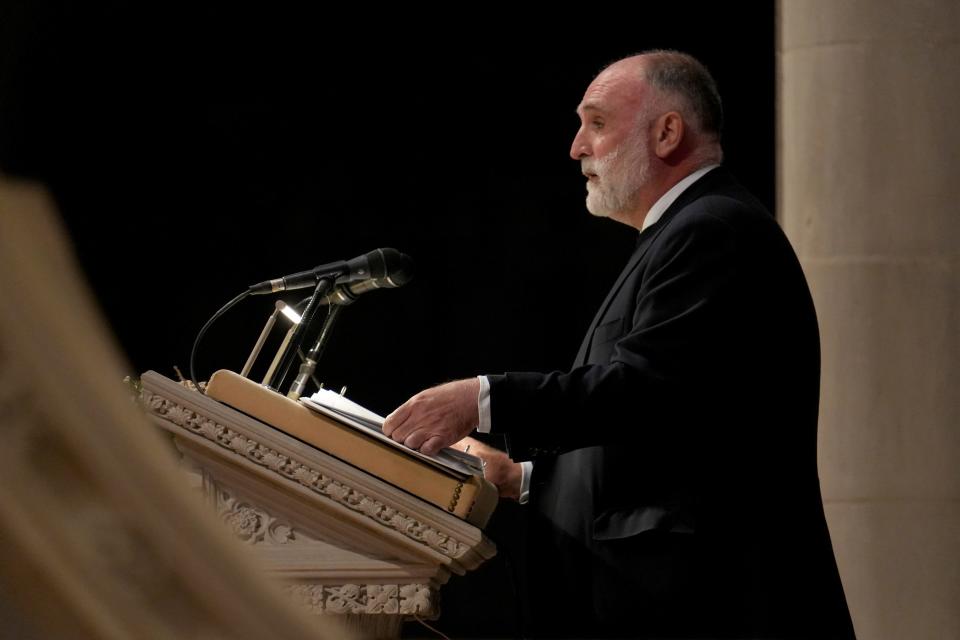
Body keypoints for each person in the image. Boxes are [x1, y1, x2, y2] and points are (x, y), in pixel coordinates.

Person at [384, 50, 855, 639]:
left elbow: (644, 388)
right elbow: (667, 433)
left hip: (707, 606)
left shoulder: (713, 230)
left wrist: (480, 399)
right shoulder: (684, 233)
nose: (577, 147)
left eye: (597, 123)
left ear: (666, 132)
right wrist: (522, 478)